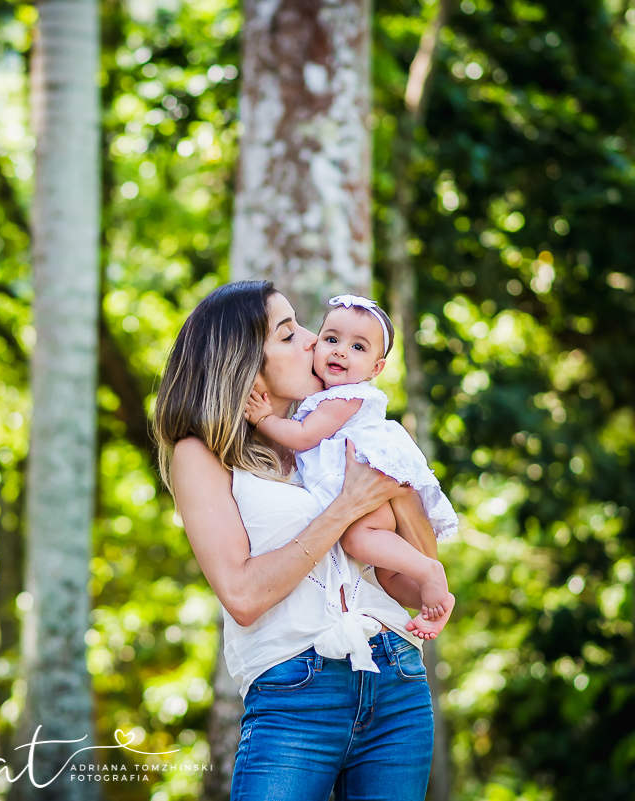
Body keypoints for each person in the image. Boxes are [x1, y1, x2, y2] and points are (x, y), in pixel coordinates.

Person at [154, 280, 436, 801]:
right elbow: (241, 596)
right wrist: (346, 507)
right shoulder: (203, 454)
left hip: (397, 678)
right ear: (242, 362)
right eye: (289, 334)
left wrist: (401, 487)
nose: (312, 340)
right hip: (296, 693)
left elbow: (420, 581)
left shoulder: (340, 439)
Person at [243, 294, 456, 635]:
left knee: (357, 540)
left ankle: (430, 574)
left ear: (376, 369)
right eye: (331, 339)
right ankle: (437, 600)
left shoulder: (344, 397)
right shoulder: (323, 398)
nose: (340, 351)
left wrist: (263, 418)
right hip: (361, 492)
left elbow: (301, 437)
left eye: (358, 348)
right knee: (386, 575)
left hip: (368, 488)